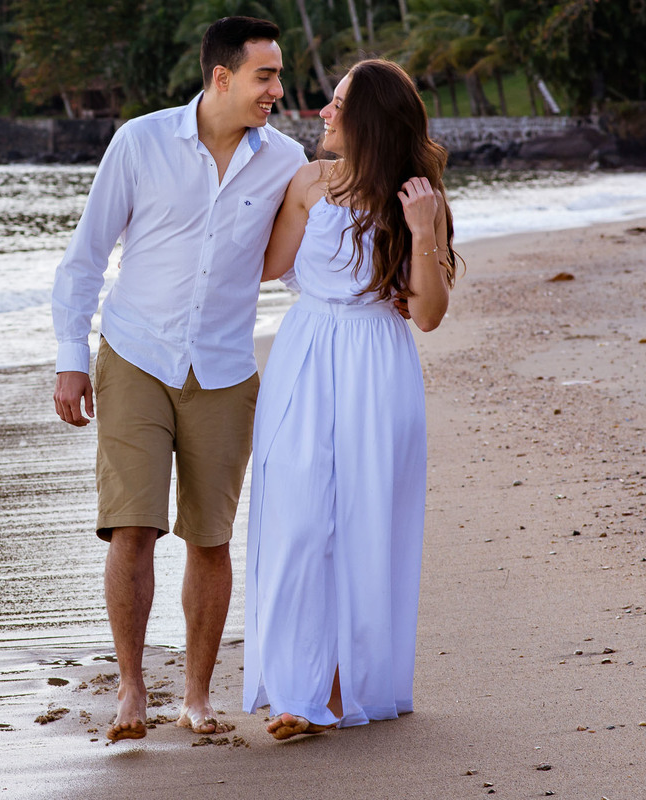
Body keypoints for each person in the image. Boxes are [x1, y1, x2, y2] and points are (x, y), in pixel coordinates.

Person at [52, 16, 307, 742]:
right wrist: (72, 357)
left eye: (279, 75)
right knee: (131, 526)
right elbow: (86, 255)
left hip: (225, 368)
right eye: (266, 76)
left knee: (210, 536)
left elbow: (293, 264)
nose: (278, 91)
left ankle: (196, 695)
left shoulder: (284, 160)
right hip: (135, 354)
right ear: (221, 78)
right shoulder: (140, 140)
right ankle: (132, 690)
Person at [241, 58, 461, 740]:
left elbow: (427, 314)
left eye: (337, 104)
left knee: (364, 524)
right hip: (304, 355)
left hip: (376, 363)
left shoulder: (418, 197)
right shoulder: (307, 183)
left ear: (367, 119)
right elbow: (266, 266)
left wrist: (422, 230)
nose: (324, 114)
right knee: (300, 519)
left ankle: (335, 692)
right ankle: (297, 690)